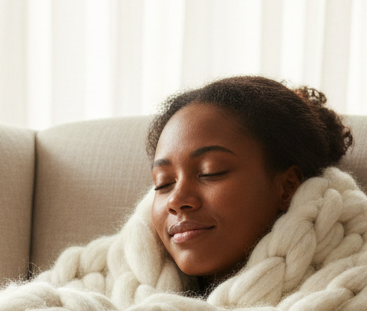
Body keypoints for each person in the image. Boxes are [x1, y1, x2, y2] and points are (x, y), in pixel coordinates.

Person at [144, 76, 354, 297]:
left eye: (210, 172)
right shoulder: (109, 295)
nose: (176, 201)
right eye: (163, 183)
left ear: (288, 186)